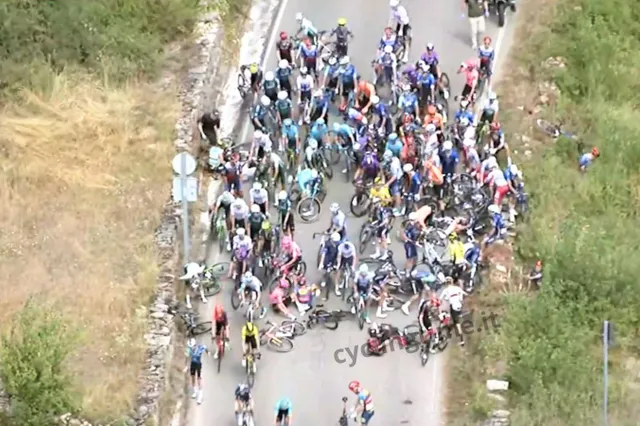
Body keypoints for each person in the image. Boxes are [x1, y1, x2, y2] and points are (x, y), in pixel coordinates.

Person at [439, 277, 468, 345]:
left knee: (456, 323)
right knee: (455, 321)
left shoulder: (446, 290)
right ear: (452, 282)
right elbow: (465, 294)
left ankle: (461, 340)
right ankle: (450, 331)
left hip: (453, 307)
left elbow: (440, 299)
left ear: (446, 283)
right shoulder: (457, 288)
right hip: (459, 306)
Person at [317, 232, 341, 298]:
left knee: (336, 274)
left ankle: (337, 288)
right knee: (325, 271)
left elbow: (339, 254)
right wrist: (321, 263)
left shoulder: (339, 244)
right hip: (327, 259)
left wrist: (338, 263)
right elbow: (323, 254)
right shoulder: (327, 244)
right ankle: (324, 279)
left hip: (334, 259)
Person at [185, 338, 208, 403]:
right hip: (192, 364)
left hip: (198, 365)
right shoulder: (188, 349)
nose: (191, 348)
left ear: (195, 345)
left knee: (199, 380)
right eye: (190, 347)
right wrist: (186, 366)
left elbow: (205, 347)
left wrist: (208, 352)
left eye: (192, 347)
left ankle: (200, 396)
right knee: (192, 378)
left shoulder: (200, 348)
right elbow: (187, 358)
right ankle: (195, 391)